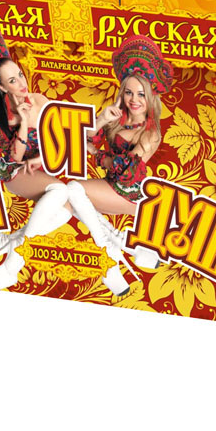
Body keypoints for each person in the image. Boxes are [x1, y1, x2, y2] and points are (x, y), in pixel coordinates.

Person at [0, 24, 89, 288]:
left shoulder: (40, 99)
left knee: (67, 208)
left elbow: (62, 139)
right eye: (12, 81)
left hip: (40, 170)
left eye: (20, 74)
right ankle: (10, 266)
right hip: (15, 172)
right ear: (1, 86)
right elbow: (15, 158)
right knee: (61, 192)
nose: (22, 84)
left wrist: (41, 159)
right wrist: (25, 122)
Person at [61, 34, 173, 292]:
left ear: (150, 97)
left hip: (130, 193)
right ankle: (121, 244)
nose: (134, 99)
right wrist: (102, 118)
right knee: (67, 200)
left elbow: (126, 171)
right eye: (129, 92)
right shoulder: (118, 118)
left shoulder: (151, 132)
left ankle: (110, 258)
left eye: (141, 94)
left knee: (72, 190)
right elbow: (82, 139)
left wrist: (96, 154)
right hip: (110, 186)